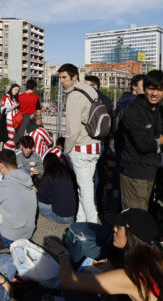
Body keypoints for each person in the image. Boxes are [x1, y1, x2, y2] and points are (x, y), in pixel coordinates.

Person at [42, 208, 163, 301]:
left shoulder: (130, 277)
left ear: (131, 236)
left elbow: (70, 281)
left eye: (119, 227)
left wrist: (62, 253)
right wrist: (112, 272)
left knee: (75, 294)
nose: (114, 229)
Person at [119, 70, 163, 211]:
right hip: (134, 171)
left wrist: (160, 140)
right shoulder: (135, 110)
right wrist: (161, 139)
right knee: (135, 217)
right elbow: (143, 145)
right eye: (151, 88)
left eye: (160, 90)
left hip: (151, 169)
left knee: (143, 215)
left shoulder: (162, 112)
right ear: (145, 88)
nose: (155, 94)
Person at [59, 63, 101, 223]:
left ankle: (92, 225)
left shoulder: (74, 96)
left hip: (81, 147)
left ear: (74, 77)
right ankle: (80, 222)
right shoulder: (90, 90)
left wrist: (67, 150)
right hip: (95, 145)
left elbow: (72, 129)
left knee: (85, 189)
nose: (62, 81)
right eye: (60, 78)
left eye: (64, 77)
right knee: (86, 187)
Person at [0, 149, 37, 248]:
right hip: (28, 233)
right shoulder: (27, 179)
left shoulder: (2, 186)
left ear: (1, 165)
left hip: (10, 238)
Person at [37, 154, 77, 224]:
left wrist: (34, 188)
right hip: (73, 215)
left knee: (34, 202)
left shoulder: (49, 174)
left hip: (61, 217)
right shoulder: (67, 171)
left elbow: (40, 197)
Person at [1, 84, 20, 150]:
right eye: (15, 90)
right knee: (10, 138)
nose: (16, 91)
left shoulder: (15, 98)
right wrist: (13, 106)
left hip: (16, 121)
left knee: (14, 139)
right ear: (11, 89)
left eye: (18, 90)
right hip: (8, 121)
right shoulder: (6, 97)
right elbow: (2, 110)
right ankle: (7, 152)